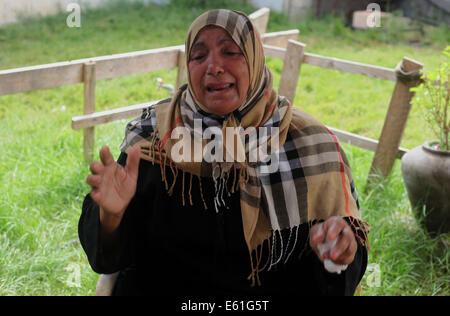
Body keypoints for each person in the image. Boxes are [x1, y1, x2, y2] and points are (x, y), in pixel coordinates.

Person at [79, 9, 369, 300]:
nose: (214, 66)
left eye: (230, 52)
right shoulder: (155, 136)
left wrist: (338, 254)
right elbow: (108, 261)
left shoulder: (309, 143)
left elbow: (341, 267)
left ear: (255, 60)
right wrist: (111, 217)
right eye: (199, 55)